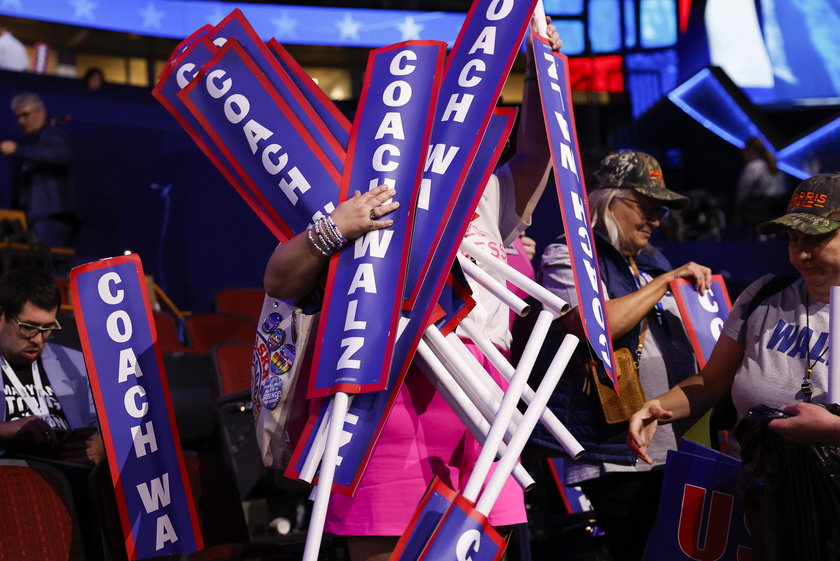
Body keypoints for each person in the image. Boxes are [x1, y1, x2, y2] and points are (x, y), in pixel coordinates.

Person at [263, 18, 562, 561]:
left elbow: (539, 155)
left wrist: (542, 69)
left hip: (482, 406)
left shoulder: (485, 192)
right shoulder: (354, 188)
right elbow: (279, 280)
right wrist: (337, 226)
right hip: (385, 405)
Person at [627, 172, 840, 557]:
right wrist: (659, 408)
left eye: (817, 240)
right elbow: (712, 381)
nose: (801, 255)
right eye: (793, 239)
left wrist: (833, 430)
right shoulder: (764, 295)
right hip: (756, 506)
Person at [527, 149, 712, 561]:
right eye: (645, 207)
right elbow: (593, 328)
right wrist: (664, 282)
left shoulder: (652, 263)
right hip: (615, 452)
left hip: (672, 444)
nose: (655, 220)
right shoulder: (568, 256)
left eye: (660, 211)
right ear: (607, 200)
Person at [0, 267, 103, 465]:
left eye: (47, 329)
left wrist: (104, 446)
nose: (39, 340)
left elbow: (104, 424)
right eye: (28, 327)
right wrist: (5, 429)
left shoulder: (76, 363)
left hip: (71, 477)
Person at [1, 93, 80, 248]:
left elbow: (63, 155)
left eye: (25, 115)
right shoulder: (30, 143)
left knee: (47, 265)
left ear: (41, 113)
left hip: (51, 216)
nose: (21, 121)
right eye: (18, 117)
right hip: (33, 219)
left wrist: (19, 149)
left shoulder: (52, 133)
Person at [734, 137, 787, 230]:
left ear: (749, 151)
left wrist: (737, 211)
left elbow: (743, 190)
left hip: (759, 211)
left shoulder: (753, 166)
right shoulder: (775, 165)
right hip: (778, 210)